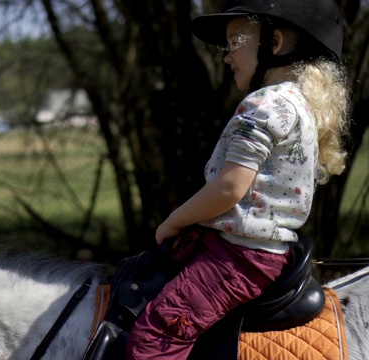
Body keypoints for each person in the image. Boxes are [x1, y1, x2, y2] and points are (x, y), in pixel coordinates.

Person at [125, 0, 351, 359]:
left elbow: (229, 188)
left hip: (237, 256)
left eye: (234, 42)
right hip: (254, 252)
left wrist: (173, 221)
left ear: (274, 43)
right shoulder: (299, 107)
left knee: (154, 337)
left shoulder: (263, 105)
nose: (226, 56)